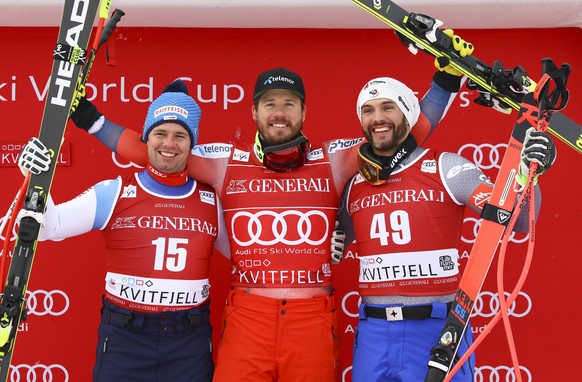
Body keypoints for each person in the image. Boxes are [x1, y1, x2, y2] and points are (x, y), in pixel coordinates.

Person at [67, 36, 472, 381]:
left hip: (311, 317)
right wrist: (90, 119)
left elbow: (399, 138)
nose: (279, 112)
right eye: (270, 104)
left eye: (289, 103)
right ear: (254, 112)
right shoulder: (227, 162)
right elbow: (157, 154)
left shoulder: (330, 160)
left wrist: (445, 81)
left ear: (303, 112)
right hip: (249, 315)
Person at [329, 77, 556, 382]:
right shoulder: (355, 184)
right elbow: (330, 247)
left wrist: (529, 173)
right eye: (368, 110)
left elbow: (519, 219)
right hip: (374, 334)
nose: (377, 118)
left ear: (409, 114)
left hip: (436, 330)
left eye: (387, 107)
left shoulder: (444, 167)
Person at [17, 80, 230, 382]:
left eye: (180, 135)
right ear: (146, 138)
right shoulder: (114, 192)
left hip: (189, 341)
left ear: (191, 144)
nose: (169, 143)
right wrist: (35, 176)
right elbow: (52, 226)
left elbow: (246, 257)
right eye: (160, 133)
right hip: (127, 339)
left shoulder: (209, 200)